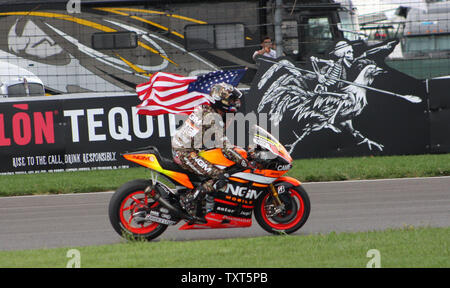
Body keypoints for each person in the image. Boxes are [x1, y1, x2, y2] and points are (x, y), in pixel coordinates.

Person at [171, 83, 250, 221]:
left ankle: (204, 204)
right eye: (230, 100)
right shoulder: (213, 117)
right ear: (220, 100)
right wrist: (243, 160)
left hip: (186, 148)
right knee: (220, 176)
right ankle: (188, 200)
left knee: (216, 166)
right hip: (185, 153)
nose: (234, 103)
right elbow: (224, 145)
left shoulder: (208, 110)